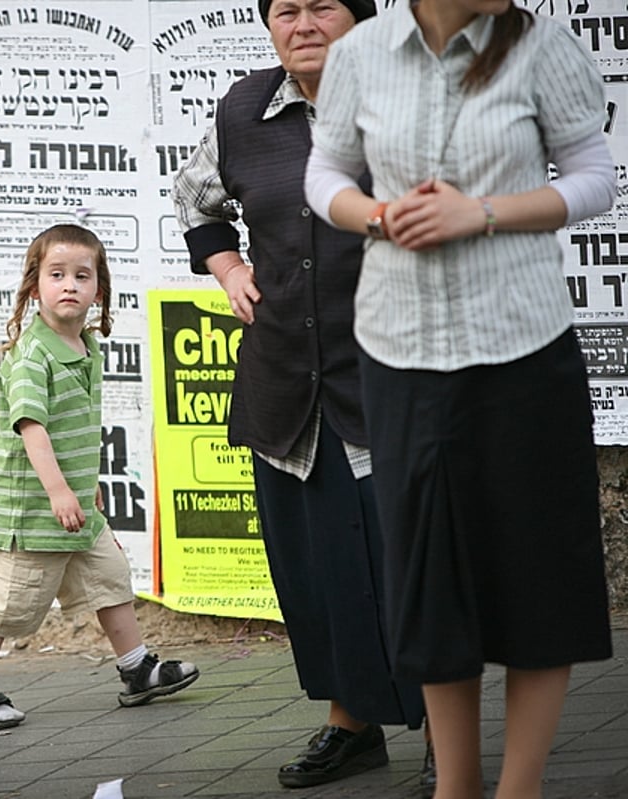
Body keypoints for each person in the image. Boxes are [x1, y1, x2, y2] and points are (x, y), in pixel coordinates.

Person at [304, 0, 615, 796]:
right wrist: (377, 214)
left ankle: (520, 786)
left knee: (537, 570)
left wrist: (480, 213)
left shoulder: (545, 47)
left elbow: (592, 179)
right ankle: (456, 785)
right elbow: (325, 171)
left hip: (524, 343)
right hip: (401, 350)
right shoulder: (363, 52)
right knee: (428, 572)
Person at [171, 0, 430, 789]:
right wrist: (226, 266)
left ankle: (451, 748)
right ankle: (352, 724)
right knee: (317, 570)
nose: (304, 22)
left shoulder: (407, 100)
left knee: (413, 570)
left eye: (325, 5)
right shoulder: (243, 110)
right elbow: (196, 201)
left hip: (392, 376)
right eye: (287, 8)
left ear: (363, 19)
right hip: (288, 381)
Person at [0, 223, 198, 730]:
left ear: (99, 291)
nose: (70, 285)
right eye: (57, 274)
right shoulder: (32, 354)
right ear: (34, 287)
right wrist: (59, 491)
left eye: (82, 276)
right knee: (9, 601)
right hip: (35, 508)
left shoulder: (88, 349)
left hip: (76, 508)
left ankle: (137, 669)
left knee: (109, 578)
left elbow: (78, 429)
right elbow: (33, 428)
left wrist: (83, 490)